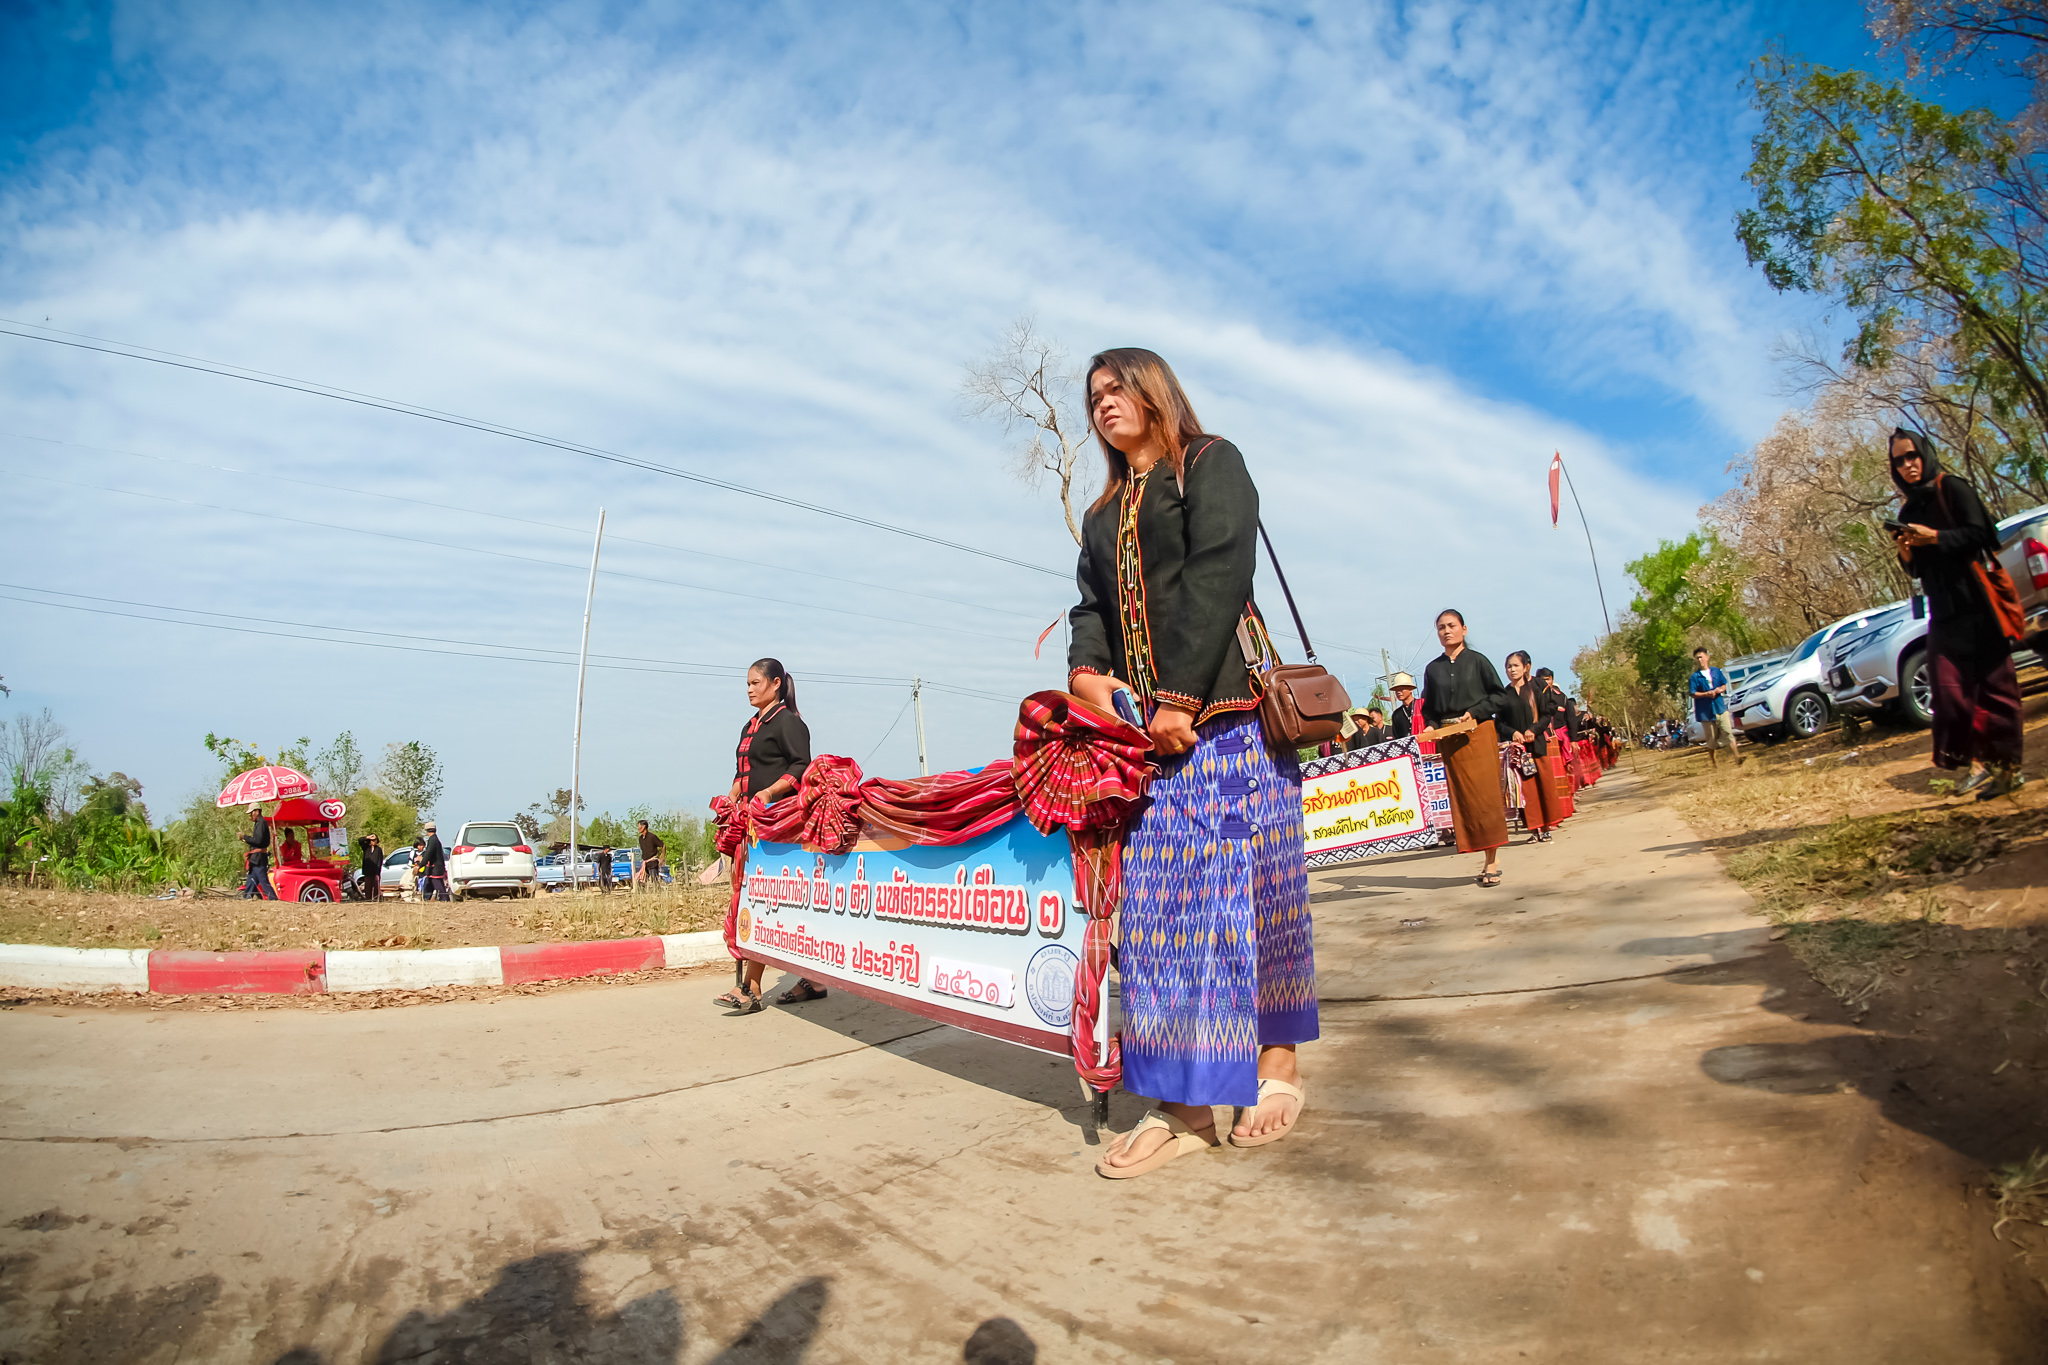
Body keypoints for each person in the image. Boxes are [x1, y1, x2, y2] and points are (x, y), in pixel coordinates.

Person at [1064, 346, 1315, 1177]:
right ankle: (1187, 1101)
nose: (1104, 403)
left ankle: (1277, 1064)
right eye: (1094, 396)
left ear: (1154, 391)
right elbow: (1091, 605)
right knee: (1165, 918)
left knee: (1261, 896)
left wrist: (1178, 696)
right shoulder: (1103, 513)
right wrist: (1087, 672)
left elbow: (1221, 569)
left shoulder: (1209, 464)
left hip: (1232, 724)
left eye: (1117, 388)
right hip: (1151, 746)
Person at [1890, 427, 2026, 798]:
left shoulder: (1953, 488)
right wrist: (1906, 550)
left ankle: (2007, 770)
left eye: (1912, 455)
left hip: (1979, 604)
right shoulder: (1908, 511)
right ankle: (1979, 762)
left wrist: (1935, 537)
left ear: (1925, 454)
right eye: (1899, 461)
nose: (1907, 465)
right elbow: (1917, 570)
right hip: (1944, 613)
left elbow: (1984, 534)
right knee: (1948, 694)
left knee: (1997, 691)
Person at [712, 658, 823, 1012]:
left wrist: (769, 793)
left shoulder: (788, 722)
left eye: (755, 682)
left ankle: (751, 987)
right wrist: (731, 798)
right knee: (758, 899)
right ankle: (814, 979)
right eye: (747, 683)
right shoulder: (749, 726)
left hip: (778, 826)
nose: (749, 689)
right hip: (749, 825)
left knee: (762, 899)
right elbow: (742, 771)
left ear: (776, 684)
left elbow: (801, 766)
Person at [1423, 610, 1512, 886]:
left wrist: (1475, 711)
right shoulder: (1432, 669)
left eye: (1451, 625)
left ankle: (1491, 860)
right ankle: (1480, 852)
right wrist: (1430, 726)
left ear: (1464, 629)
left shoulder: (1478, 661)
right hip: (1451, 740)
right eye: (1441, 627)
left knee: (1485, 797)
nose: (1446, 631)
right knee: (1465, 800)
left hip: (1478, 733)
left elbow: (1499, 696)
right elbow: (1430, 709)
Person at [1506, 651, 1563, 842]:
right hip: (1519, 751)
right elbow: (1500, 722)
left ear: (1525, 667)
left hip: (1537, 746)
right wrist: (1513, 733)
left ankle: (1546, 827)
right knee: (1526, 791)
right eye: (1509, 666)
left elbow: (1546, 714)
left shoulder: (1536, 688)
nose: (1512, 670)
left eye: (1516, 665)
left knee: (1543, 787)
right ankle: (1533, 829)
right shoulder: (1504, 694)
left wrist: (1534, 730)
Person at [1531, 667, 1577, 825]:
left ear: (1552, 680)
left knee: (1563, 774)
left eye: (1548, 679)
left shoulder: (1561, 697)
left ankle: (1566, 807)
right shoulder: (1531, 696)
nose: (1546, 683)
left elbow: (1571, 719)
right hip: (1539, 738)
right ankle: (1548, 816)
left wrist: (1573, 739)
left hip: (1559, 740)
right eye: (1542, 680)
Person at [1688, 647, 1743, 769]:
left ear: (1707, 657)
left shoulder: (1716, 671)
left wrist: (1719, 690)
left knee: (1729, 733)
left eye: (1701, 657)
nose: (1700, 660)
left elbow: (1724, 685)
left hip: (1720, 708)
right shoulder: (1695, 677)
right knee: (1711, 739)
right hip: (1706, 712)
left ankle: (1737, 757)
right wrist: (1706, 694)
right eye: (1697, 658)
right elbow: (1693, 693)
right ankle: (1714, 763)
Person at [240, 804, 276, 900]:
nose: (250, 815)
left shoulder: (261, 823)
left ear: (257, 811)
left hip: (259, 859)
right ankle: (246, 897)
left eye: (251, 813)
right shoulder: (258, 823)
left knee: (264, 882)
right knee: (251, 879)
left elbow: (258, 841)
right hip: (256, 859)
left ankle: (273, 899)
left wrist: (245, 837)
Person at [419, 821, 449, 901]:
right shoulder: (435, 840)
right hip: (433, 868)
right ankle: (426, 899)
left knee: (438, 886)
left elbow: (428, 854)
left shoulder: (432, 840)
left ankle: (445, 900)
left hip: (435, 869)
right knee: (428, 885)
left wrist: (422, 864)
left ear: (427, 831)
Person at [1387, 672, 1421, 739]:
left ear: (1411, 689)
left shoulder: (1421, 705)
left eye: (1401, 689)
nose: (1398, 692)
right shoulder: (1396, 714)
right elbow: (1397, 737)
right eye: (1396, 690)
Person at [634, 820, 665, 890]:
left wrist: (662, 857)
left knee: (655, 880)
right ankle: (643, 894)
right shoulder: (640, 838)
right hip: (645, 863)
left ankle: (658, 893)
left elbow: (663, 845)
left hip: (653, 862)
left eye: (639, 826)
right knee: (641, 881)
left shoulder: (652, 837)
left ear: (643, 827)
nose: (638, 828)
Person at [358, 833, 383, 903]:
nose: (373, 841)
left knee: (376, 887)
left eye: (374, 840)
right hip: (367, 871)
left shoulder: (378, 849)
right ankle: (368, 900)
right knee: (368, 887)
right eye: (371, 840)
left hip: (375, 872)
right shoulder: (366, 848)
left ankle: (375, 900)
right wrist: (368, 837)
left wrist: (377, 873)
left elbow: (379, 861)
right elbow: (360, 840)